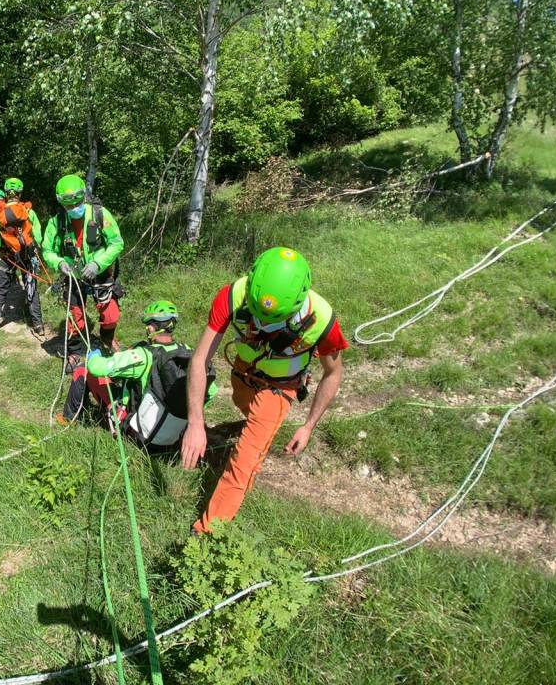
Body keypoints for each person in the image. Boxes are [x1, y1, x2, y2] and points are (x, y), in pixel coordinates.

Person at [182, 247, 348, 533]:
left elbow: (333, 373)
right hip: (244, 372)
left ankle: (208, 533)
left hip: (281, 387)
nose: (260, 324)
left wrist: (308, 426)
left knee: (245, 459)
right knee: (241, 401)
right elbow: (199, 359)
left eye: (272, 320)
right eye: (257, 315)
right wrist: (195, 423)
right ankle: (254, 425)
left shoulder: (321, 320)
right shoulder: (233, 295)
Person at [59, 301, 216, 446]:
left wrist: (95, 355)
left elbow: (98, 368)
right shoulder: (188, 353)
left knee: (82, 370)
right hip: (176, 437)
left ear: (151, 328)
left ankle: (69, 419)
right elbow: (212, 391)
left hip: (139, 435)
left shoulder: (143, 355)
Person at [41, 173, 124, 354]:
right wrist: (59, 262)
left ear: (84, 196)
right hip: (73, 276)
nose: (73, 207)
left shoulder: (100, 215)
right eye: (68, 204)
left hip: (99, 272)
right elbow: (47, 251)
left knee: (110, 315)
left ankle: (107, 340)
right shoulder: (57, 223)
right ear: (61, 202)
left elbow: (116, 243)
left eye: (77, 203)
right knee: (75, 317)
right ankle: (74, 352)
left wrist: (97, 264)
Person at [0, 177, 45, 337]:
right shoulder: (28, 211)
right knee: (31, 285)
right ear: (19, 193)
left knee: (1, 289)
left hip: (7, 256)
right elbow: (38, 235)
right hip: (27, 254)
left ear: (6, 194)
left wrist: (2, 248)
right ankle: (38, 324)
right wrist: (35, 248)